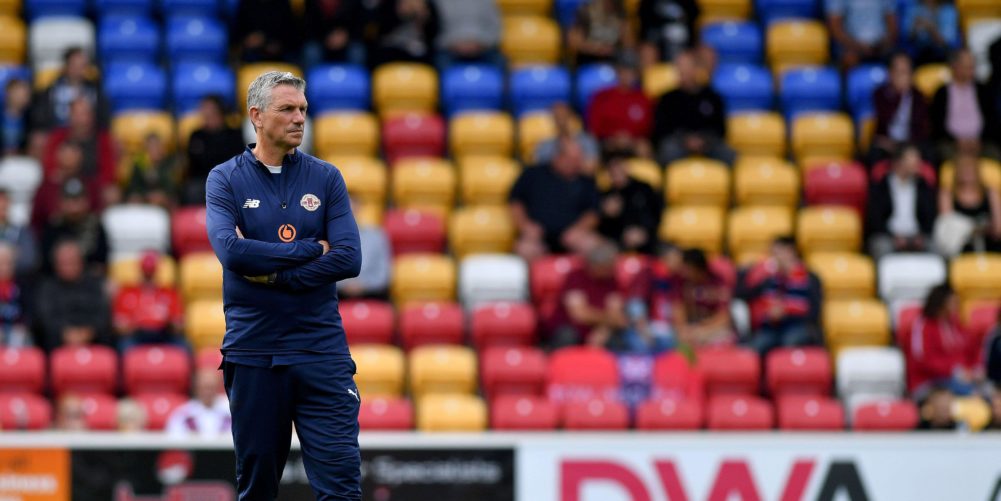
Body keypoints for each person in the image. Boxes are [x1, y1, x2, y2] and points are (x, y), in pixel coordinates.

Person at [206, 71, 362, 500]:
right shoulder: (224, 179)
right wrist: (313, 250)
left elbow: (349, 259)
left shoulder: (326, 177)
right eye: (288, 109)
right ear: (256, 116)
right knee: (257, 490)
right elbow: (232, 255)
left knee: (342, 489)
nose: (299, 119)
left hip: (321, 351)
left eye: (303, 110)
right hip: (254, 352)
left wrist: (272, 272)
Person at [509, 138, 600, 261]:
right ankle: (534, 280)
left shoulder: (586, 181)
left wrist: (578, 229)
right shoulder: (533, 174)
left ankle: (584, 281)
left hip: (572, 235)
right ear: (559, 157)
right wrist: (525, 226)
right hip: (537, 236)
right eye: (574, 160)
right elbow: (515, 202)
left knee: (596, 248)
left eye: (580, 159)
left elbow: (593, 212)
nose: (579, 164)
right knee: (525, 250)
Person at [649, 49, 733, 166]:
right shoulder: (667, 99)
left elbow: (721, 129)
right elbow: (661, 130)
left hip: (707, 141)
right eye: (679, 68)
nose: (682, 71)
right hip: (678, 142)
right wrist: (685, 139)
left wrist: (703, 139)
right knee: (667, 152)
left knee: (728, 154)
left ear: (695, 69)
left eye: (686, 67)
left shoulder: (712, 97)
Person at [740, 237, 822, 356]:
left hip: (799, 326)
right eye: (772, 254)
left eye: (776, 253)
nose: (773, 259)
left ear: (790, 251)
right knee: (755, 346)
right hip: (773, 328)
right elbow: (744, 293)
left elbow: (814, 312)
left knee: (789, 342)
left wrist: (787, 311)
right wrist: (754, 269)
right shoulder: (771, 279)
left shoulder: (809, 278)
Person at [31, 239, 110, 352]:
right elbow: (44, 318)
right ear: (55, 264)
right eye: (63, 263)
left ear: (81, 262)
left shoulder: (94, 285)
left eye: (72, 262)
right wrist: (65, 333)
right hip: (57, 342)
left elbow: (102, 314)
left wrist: (87, 332)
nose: (68, 267)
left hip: (93, 340)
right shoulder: (47, 287)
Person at [545, 241, 626, 349]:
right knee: (567, 337)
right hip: (572, 329)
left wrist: (603, 330)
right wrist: (607, 319)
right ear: (596, 265)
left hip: (599, 330)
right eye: (609, 265)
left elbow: (618, 316)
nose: (613, 269)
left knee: (617, 342)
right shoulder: (576, 277)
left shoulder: (612, 281)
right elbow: (579, 314)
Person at [40, 98, 117, 208]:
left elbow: (109, 173)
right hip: (62, 188)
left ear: (92, 116)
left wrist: (92, 186)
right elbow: (49, 170)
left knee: (111, 194)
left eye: (85, 114)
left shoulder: (103, 140)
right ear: (70, 116)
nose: (81, 119)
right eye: (77, 114)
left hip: (92, 189)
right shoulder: (57, 138)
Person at [865, 143, 937, 260]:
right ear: (898, 162)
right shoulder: (881, 186)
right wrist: (893, 236)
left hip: (918, 236)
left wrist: (921, 236)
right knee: (881, 247)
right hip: (888, 237)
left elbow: (930, 216)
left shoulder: (923, 186)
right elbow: (874, 219)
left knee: (936, 247)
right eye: (913, 158)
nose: (918, 162)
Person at [906, 284, 978, 397]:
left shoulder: (955, 323)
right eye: (953, 302)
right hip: (928, 382)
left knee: (989, 391)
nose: (956, 306)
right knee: (973, 395)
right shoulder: (923, 326)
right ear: (941, 303)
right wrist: (954, 371)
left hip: (955, 379)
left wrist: (974, 370)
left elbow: (970, 348)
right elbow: (923, 360)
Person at [930, 49, 1001, 160]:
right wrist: (957, 141)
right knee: (942, 154)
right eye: (967, 67)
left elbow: (992, 121)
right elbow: (937, 125)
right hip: (951, 143)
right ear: (954, 66)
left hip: (981, 143)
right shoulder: (941, 93)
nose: (972, 71)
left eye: (973, 66)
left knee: (996, 154)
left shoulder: (983, 90)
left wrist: (979, 140)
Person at [112, 250, 185, 352]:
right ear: (140, 270)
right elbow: (119, 327)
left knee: (183, 347)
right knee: (123, 346)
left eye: (151, 272)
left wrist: (168, 322)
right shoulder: (126, 293)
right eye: (146, 272)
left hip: (164, 333)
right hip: (137, 335)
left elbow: (179, 325)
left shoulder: (169, 293)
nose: (148, 276)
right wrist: (138, 321)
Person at [586, 51, 653, 158]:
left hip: (633, 145)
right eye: (624, 70)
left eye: (631, 71)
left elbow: (648, 129)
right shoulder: (602, 96)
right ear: (617, 71)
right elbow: (593, 128)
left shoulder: (643, 99)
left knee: (644, 148)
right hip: (607, 145)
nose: (627, 75)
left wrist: (631, 140)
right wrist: (613, 139)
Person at [38, 177, 109, 275]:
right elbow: (45, 263)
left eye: (77, 200)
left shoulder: (95, 226)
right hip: (57, 282)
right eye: (69, 200)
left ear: (86, 202)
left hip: (88, 281)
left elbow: (102, 262)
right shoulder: (53, 226)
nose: (73, 207)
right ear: (60, 203)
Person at [869, 53, 931, 163]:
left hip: (910, 143)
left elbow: (921, 128)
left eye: (906, 72)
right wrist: (898, 96)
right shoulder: (880, 94)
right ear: (890, 74)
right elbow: (881, 122)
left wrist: (908, 146)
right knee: (873, 154)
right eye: (899, 72)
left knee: (930, 153)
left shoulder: (918, 97)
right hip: (887, 143)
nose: (902, 77)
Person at [185, 95, 246, 204]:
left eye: (208, 109)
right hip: (202, 181)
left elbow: (238, 162)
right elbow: (193, 165)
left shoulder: (234, 135)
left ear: (219, 111)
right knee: (192, 190)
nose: (204, 112)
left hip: (228, 180)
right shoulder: (197, 135)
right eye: (203, 109)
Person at [597, 153, 662, 254]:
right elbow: (603, 228)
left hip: (646, 237)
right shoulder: (607, 196)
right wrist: (607, 215)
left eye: (619, 168)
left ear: (626, 168)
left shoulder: (644, 188)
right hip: (618, 242)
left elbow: (656, 213)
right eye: (613, 170)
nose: (616, 173)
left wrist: (644, 231)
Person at [937, 153, 1001, 253]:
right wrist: (973, 229)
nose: (967, 173)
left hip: (989, 243)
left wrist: (985, 229)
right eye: (963, 170)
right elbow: (946, 222)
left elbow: (998, 227)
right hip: (960, 244)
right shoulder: (949, 192)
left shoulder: (990, 192)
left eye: (970, 170)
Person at [671, 248, 733, 349]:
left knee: (723, 339)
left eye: (687, 269)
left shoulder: (718, 283)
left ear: (698, 268)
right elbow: (678, 310)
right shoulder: (681, 283)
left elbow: (724, 317)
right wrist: (683, 329)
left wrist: (703, 329)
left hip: (711, 328)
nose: (684, 273)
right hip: (690, 327)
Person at [31, 47, 107, 130]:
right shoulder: (52, 90)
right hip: (57, 135)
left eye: (82, 65)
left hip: (87, 136)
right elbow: (43, 116)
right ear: (66, 65)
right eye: (75, 65)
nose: (79, 69)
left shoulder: (94, 90)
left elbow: (102, 118)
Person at [337, 199, 391, 298]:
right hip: (337, 295)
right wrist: (343, 285)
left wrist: (364, 285)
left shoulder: (376, 235)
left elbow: (383, 273)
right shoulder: (326, 236)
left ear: (358, 209)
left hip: (372, 294)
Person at [432, 0, 503, 70]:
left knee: (499, 62)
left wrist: (481, 44)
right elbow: (434, 31)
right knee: (440, 62)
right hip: (450, 49)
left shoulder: (486, 1)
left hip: (482, 47)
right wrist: (453, 44)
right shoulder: (439, 2)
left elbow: (495, 28)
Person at [826, 0, 898, 69]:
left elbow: (892, 23)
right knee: (848, 60)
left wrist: (883, 44)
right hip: (852, 47)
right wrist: (857, 46)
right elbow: (835, 28)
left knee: (899, 62)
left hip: (880, 46)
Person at [533, 102, 600, 174]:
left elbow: (591, 169)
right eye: (556, 117)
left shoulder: (587, 140)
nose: (561, 121)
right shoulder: (544, 146)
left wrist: (573, 157)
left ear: (573, 117)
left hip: (580, 183)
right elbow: (541, 172)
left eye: (564, 116)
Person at [165, 368, 232, 438]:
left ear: (218, 387)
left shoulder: (230, 411)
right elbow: (173, 437)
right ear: (196, 388)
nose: (208, 391)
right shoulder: (184, 413)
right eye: (204, 387)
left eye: (211, 387)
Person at [372, 0, 440, 67]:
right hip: (391, 50)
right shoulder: (390, 4)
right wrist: (400, 14)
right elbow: (380, 31)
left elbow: (433, 34)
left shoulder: (427, 4)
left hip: (419, 52)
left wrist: (422, 18)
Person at [567, 0, 633, 66]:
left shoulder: (621, 15)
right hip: (587, 62)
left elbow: (628, 45)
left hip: (612, 64)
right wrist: (597, 49)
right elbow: (573, 42)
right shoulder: (586, 11)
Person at [123, 133, 180, 208]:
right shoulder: (140, 163)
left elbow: (172, 187)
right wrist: (146, 194)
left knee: (166, 200)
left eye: (156, 146)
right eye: (150, 146)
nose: (153, 149)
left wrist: (161, 194)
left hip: (164, 196)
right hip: (144, 196)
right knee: (134, 199)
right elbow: (133, 186)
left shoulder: (168, 162)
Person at [234, 0, 301, 62]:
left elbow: (293, 36)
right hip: (254, 54)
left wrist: (277, 45)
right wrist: (248, 41)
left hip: (282, 54)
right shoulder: (246, 3)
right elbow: (238, 37)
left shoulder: (283, 3)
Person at [637, 0, 700, 66]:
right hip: (656, 47)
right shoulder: (648, 3)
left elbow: (694, 29)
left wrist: (692, 49)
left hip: (683, 48)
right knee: (647, 52)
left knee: (687, 59)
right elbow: (642, 34)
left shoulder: (688, 3)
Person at [304, 0, 367, 66]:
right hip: (321, 41)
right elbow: (308, 27)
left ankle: (356, 76)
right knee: (311, 51)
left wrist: (346, 37)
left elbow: (360, 24)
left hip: (348, 41)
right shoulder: (311, 2)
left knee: (357, 51)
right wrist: (326, 39)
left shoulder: (353, 2)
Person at [903, 0, 960, 66]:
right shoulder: (913, 10)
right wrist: (914, 28)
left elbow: (947, 42)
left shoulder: (948, 11)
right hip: (918, 54)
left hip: (942, 54)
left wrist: (930, 28)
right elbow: (907, 37)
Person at [0, 189, 38, 278]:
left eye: (4, 204)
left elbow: (29, 260)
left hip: (17, 283)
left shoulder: (22, 232)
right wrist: (13, 253)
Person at [0, 243, 29, 348]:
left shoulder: (22, 285)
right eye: (1, 263)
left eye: (9, 263)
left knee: (20, 337)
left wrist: (23, 325)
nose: (5, 267)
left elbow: (29, 311)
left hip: (18, 332)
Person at [1, 78, 35, 156]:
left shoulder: (31, 119)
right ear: (8, 92)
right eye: (18, 93)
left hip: (21, 160)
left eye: (26, 94)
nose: (22, 98)